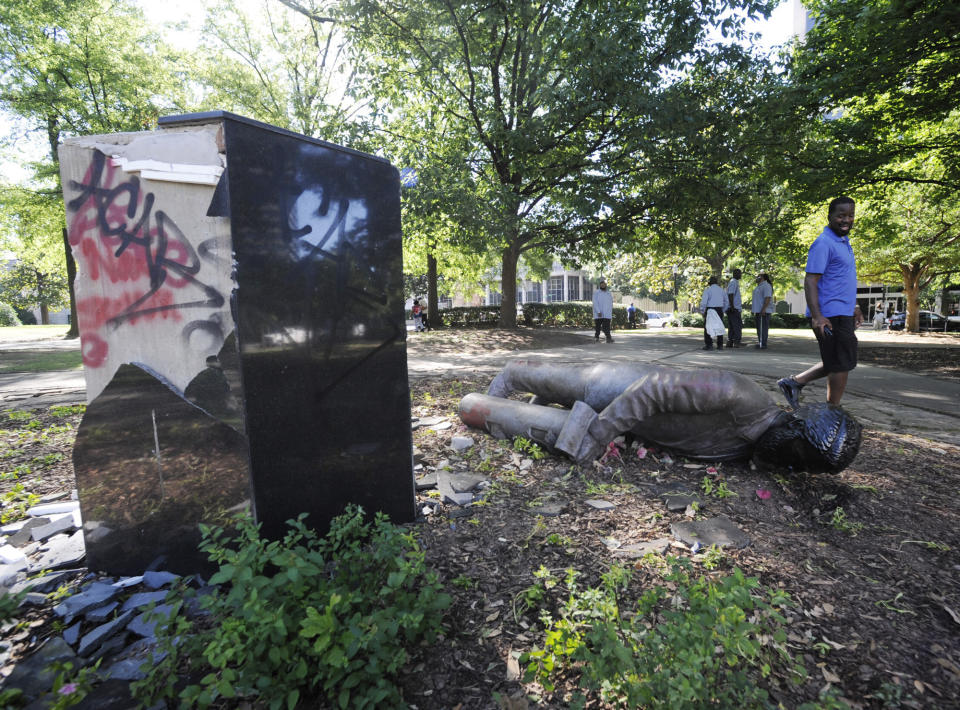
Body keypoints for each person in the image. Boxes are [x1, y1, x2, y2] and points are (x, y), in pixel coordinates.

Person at [460, 360, 862, 473]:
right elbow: (654, 388)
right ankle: (504, 384)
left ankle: (514, 405)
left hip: (631, 423)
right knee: (537, 379)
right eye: (797, 459)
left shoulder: (760, 442)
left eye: (802, 469)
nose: (792, 469)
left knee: (537, 412)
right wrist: (601, 434)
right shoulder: (740, 396)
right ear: (794, 426)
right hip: (616, 388)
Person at [778, 197, 863, 409]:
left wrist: (854, 306)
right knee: (841, 364)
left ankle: (794, 383)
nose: (846, 220)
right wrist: (817, 316)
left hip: (842, 311)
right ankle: (833, 411)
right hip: (829, 315)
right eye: (841, 216)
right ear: (830, 217)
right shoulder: (823, 243)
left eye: (850, 215)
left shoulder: (843, 241)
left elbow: (842, 280)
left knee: (837, 361)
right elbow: (810, 280)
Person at [699, 276, 726, 350]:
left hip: (710, 309)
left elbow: (704, 302)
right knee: (719, 326)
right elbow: (726, 302)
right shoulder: (722, 290)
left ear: (709, 283)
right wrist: (723, 310)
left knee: (707, 327)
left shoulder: (708, 290)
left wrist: (702, 311)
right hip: (719, 310)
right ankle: (720, 345)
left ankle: (709, 344)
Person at [752, 273, 774, 349]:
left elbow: (767, 298)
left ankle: (763, 344)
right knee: (759, 328)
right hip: (758, 310)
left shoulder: (766, 286)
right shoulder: (759, 286)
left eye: (758, 276)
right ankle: (760, 342)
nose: (756, 277)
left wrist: (764, 309)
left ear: (762, 278)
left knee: (763, 328)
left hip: (764, 311)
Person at [726, 268, 743, 347]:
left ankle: (730, 342)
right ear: (735, 274)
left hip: (734, 307)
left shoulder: (734, 282)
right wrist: (732, 306)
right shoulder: (733, 282)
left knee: (732, 326)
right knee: (737, 326)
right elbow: (730, 294)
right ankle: (736, 342)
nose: (740, 275)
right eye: (739, 273)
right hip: (734, 308)